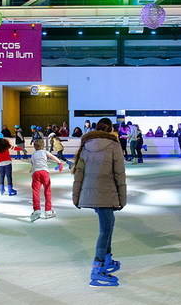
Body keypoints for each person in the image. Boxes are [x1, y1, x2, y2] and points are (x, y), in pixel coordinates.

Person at [72, 118, 126, 287]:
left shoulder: (86, 145)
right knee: (105, 229)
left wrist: (76, 197)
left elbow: (78, 173)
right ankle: (97, 268)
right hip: (106, 194)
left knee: (109, 224)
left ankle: (107, 259)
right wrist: (122, 199)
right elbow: (119, 174)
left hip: (91, 194)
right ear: (110, 129)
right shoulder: (113, 145)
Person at [29, 139, 63, 222]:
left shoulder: (33, 154)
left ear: (34, 146)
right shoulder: (44, 152)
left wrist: (32, 171)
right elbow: (52, 157)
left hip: (36, 173)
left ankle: (37, 210)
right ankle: (48, 211)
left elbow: (32, 164)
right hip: (44, 172)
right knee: (47, 191)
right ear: (43, 145)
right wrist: (59, 162)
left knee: (35, 192)